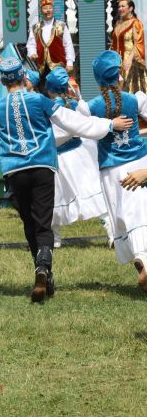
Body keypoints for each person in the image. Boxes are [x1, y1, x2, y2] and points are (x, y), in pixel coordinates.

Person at [0, 58, 131, 302]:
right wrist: (108, 124)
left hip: (14, 170)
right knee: (44, 220)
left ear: (2, 80)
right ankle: (43, 268)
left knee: (30, 223)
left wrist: (9, 154)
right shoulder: (39, 100)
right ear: (23, 77)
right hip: (42, 166)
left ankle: (43, 271)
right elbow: (72, 122)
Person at [75, 50, 147, 292]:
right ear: (119, 75)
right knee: (140, 213)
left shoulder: (89, 107)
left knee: (122, 216)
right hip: (138, 162)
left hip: (110, 170)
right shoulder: (136, 99)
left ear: (97, 80)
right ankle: (144, 259)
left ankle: (140, 261)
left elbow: (80, 129)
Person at [44, 68, 113, 248]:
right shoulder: (78, 105)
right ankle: (111, 232)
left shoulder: (49, 108)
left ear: (49, 89)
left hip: (59, 158)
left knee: (55, 198)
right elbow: (87, 122)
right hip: (81, 153)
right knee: (93, 190)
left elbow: (51, 134)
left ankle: (54, 238)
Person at [27, 0, 76, 89]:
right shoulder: (35, 27)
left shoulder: (61, 25)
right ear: (41, 10)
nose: (48, 10)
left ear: (53, 9)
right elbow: (31, 44)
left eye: (50, 8)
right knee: (44, 90)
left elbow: (68, 44)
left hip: (58, 66)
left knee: (59, 90)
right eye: (45, 8)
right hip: (42, 66)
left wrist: (70, 62)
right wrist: (32, 53)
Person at [110, 0, 147, 94]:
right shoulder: (118, 23)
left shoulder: (136, 23)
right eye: (119, 6)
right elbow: (114, 44)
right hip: (117, 63)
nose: (120, 9)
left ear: (131, 8)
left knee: (130, 92)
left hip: (130, 64)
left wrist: (130, 60)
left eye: (123, 6)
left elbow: (138, 43)